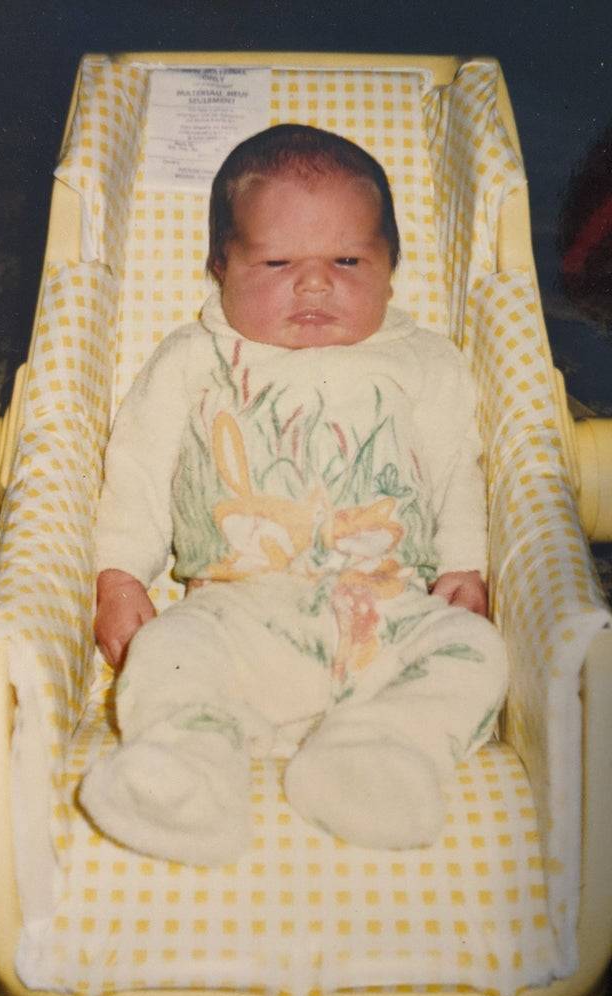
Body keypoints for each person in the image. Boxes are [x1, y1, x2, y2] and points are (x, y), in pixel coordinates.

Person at [79, 124, 508, 866]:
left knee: (474, 650)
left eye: (347, 260)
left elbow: (455, 468)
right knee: (168, 652)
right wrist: (119, 574)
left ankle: (379, 753)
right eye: (278, 262)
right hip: (236, 610)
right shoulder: (193, 358)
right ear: (221, 266)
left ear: (390, 267)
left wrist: (464, 565)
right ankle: (187, 771)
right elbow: (138, 468)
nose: (315, 284)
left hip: (389, 609)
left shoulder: (423, 361)